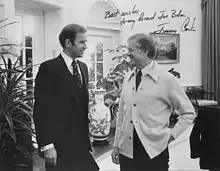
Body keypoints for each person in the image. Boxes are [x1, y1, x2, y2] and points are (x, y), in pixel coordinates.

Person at [111, 33, 196, 171]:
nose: (128, 54)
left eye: (131, 50)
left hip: (154, 152)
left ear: (145, 51)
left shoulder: (166, 79)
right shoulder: (128, 78)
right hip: (127, 152)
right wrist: (116, 145)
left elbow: (188, 113)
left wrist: (170, 136)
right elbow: (122, 114)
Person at [33, 23, 99, 171]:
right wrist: (47, 145)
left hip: (81, 146)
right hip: (58, 147)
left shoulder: (83, 67)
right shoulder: (49, 69)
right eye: (82, 42)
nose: (86, 46)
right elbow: (41, 110)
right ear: (68, 43)